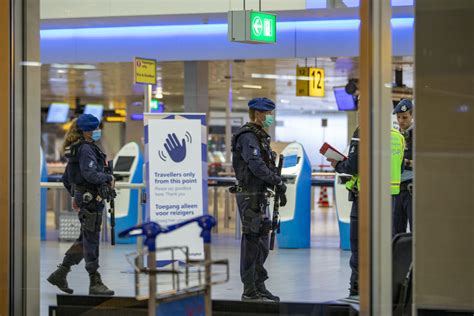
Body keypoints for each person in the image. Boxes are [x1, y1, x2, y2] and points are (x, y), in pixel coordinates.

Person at [328, 122, 405, 299]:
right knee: (383, 245)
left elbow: (353, 167)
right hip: (389, 197)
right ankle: (383, 290)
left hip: (366, 197)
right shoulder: (397, 137)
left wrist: (337, 164)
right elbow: (399, 168)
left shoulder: (363, 132)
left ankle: (357, 290)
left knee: (360, 247)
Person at [47, 114, 115, 296]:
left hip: (86, 199)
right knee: (91, 239)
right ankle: (94, 280)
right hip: (91, 200)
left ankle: (60, 273)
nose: (98, 131)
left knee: (85, 238)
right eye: (95, 129)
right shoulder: (85, 149)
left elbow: (66, 179)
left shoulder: (77, 148)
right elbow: (90, 174)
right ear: (86, 131)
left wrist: (76, 195)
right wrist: (108, 177)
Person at [231, 97, 287, 302]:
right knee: (252, 241)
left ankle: (259, 284)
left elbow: (265, 164)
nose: (270, 117)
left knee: (262, 241)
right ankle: (249, 288)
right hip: (249, 195)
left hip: (260, 194)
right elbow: (255, 166)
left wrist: (276, 185)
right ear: (257, 114)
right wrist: (276, 181)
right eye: (268, 114)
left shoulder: (261, 137)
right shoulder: (247, 137)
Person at [392, 99, 414, 235]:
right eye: (398, 117)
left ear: (412, 116)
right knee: (395, 231)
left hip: (412, 189)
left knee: (415, 231)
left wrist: (403, 162)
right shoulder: (394, 136)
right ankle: (397, 257)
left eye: (405, 117)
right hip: (396, 189)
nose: (401, 121)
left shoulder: (419, 136)